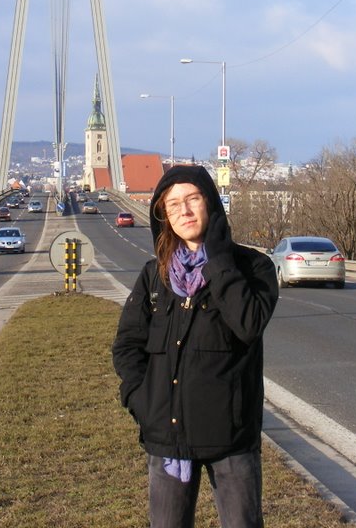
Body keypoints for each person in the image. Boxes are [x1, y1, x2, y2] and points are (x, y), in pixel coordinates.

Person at [112, 164, 279, 528]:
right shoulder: (155, 275)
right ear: (164, 216)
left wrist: (218, 260)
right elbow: (127, 345)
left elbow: (249, 324)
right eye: (173, 205)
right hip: (167, 436)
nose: (184, 211)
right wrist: (140, 401)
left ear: (211, 204)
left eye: (192, 199)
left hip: (231, 438)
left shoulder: (254, 268)